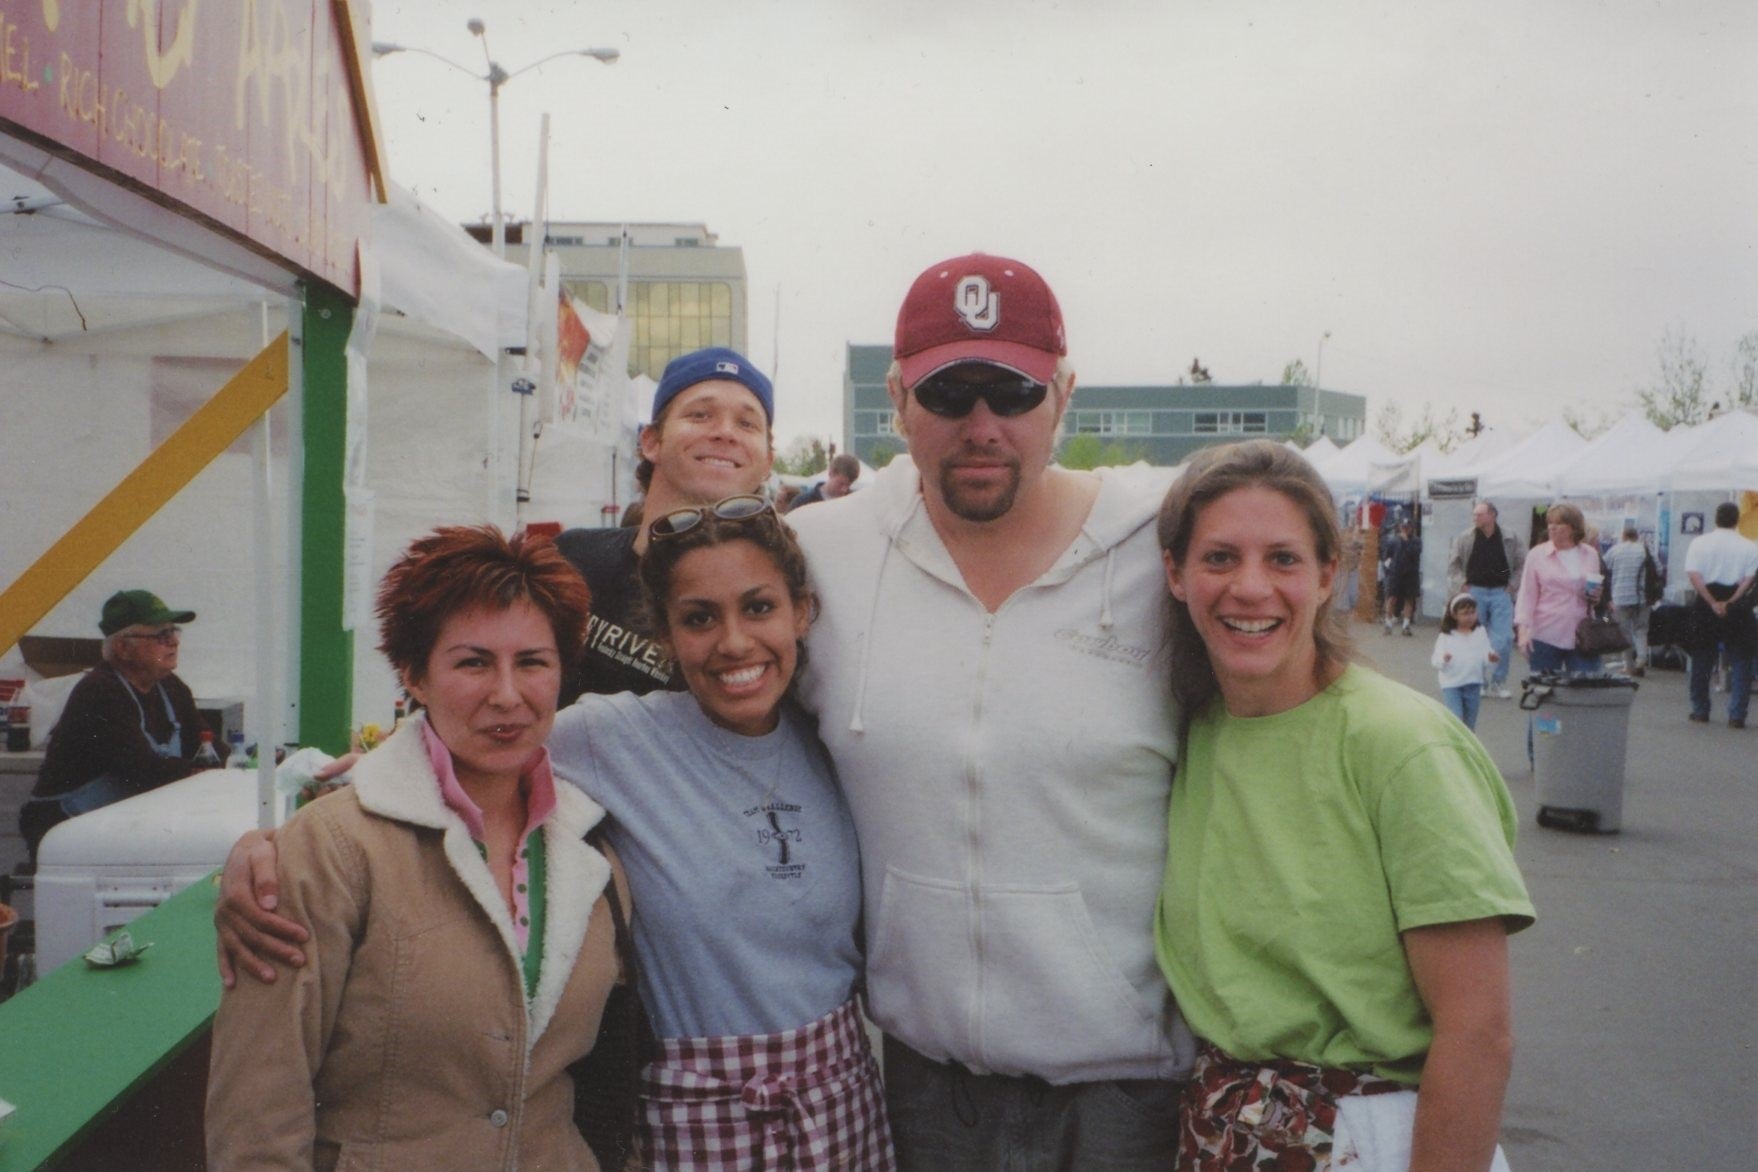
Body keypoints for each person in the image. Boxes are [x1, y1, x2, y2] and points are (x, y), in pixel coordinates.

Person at [788, 253, 1189, 1170]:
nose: (981, 427)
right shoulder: (819, 552)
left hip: (1126, 1094)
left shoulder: (1162, 549)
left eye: (1011, 393)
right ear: (896, 399)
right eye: (948, 393)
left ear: (1063, 395)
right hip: (923, 1087)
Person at [1154, 439, 1534, 1171]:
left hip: (1371, 1138)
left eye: (1284, 559)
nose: (1251, 587)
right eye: (1220, 558)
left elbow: (1478, 1031)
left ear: (1331, 573)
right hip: (1227, 1131)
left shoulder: (1401, 745)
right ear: (1176, 572)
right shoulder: (1200, 729)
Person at [206, 526, 627, 1170]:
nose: (507, 694)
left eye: (533, 662)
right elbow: (259, 1106)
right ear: (414, 676)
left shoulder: (592, 844)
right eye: (473, 662)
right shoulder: (333, 849)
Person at [551, 497, 892, 1169]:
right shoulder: (612, 738)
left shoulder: (837, 741)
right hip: (695, 1125)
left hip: (841, 1111)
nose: (734, 642)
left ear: (802, 612)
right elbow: (456, 749)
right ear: (668, 636)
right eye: (700, 619)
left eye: (759, 607)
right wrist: (283, 845)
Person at [552, 346, 775, 702]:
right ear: (652, 441)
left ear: (767, 462)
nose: (725, 433)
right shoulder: (570, 560)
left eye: (747, 423)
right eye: (701, 415)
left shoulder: (771, 600)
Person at [20, 589, 222, 862]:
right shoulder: (100, 691)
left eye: (173, 632)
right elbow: (139, 769)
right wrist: (201, 771)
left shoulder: (170, 687)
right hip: (65, 828)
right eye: (161, 635)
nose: (173, 641)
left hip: (115, 824)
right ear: (123, 648)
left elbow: (207, 745)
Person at [1683, 501, 1757, 728]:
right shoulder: (1749, 546)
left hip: (1707, 600)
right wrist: (1730, 601)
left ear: (1716, 518)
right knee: (1741, 659)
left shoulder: (1699, 543)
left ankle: (1700, 709)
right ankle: (1737, 714)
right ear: (1737, 520)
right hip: (1737, 602)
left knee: (1702, 658)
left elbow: (1694, 575)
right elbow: (1749, 579)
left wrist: (1712, 601)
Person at [1514, 503, 1605, 675]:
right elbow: (1527, 595)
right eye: (1550, 523)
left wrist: (1596, 596)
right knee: (1545, 689)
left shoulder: (1590, 554)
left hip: (1582, 632)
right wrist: (1523, 631)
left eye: (1558, 523)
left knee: (1585, 686)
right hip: (1545, 631)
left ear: (1573, 527)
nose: (1552, 527)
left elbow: (1593, 594)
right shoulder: (1537, 554)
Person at [1448, 500, 1526, 697]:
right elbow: (1453, 565)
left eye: (1480, 514)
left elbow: (1522, 563)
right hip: (1475, 592)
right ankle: (1479, 680)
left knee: (1504, 638)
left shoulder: (1510, 537)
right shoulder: (1465, 537)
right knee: (1474, 637)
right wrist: (1462, 583)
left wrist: (1513, 584)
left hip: (1501, 591)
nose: (1475, 518)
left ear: (1492, 515)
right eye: (1474, 515)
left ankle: (1498, 682)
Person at [1433, 593, 1499, 731]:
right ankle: (1454, 746)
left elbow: (1486, 654)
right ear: (1454, 615)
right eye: (1465, 613)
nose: (1470, 617)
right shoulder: (1446, 635)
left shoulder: (1480, 632)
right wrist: (1443, 659)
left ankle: (1467, 749)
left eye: (1472, 612)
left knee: (1469, 725)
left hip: (1473, 682)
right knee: (1456, 719)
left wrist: (1491, 658)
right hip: (1452, 684)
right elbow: (1435, 660)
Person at [1602, 523, 1655, 677]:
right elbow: (1657, 569)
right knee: (1641, 629)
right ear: (1637, 537)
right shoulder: (1645, 550)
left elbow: (1603, 567)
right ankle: (1641, 659)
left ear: (1623, 536)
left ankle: (1629, 666)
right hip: (1643, 597)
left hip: (1620, 596)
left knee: (1624, 632)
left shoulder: (1615, 550)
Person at [1381, 521, 1422, 635]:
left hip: (1410, 574)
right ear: (1399, 527)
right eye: (1403, 527)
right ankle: (1388, 624)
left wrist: (1405, 541)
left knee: (1409, 599)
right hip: (1395, 573)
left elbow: (1414, 554)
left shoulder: (1416, 541)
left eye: (1408, 527)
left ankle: (1406, 625)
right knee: (1392, 598)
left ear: (1411, 528)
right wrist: (1389, 570)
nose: (1405, 529)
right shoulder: (1392, 541)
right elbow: (1386, 557)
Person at [788, 452, 861, 510]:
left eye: (848, 485)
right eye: (841, 484)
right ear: (831, 473)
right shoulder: (803, 502)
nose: (844, 490)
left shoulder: (851, 504)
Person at [1335, 524, 1364, 614]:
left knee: (1353, 597)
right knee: (1343, 596)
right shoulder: (1343, 543)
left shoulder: (1356, 543)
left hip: (1352, 570)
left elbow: (1361, 543)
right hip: (1344, 570)